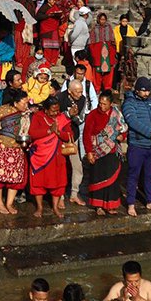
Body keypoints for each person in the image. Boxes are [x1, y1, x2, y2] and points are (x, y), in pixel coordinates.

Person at [123, 77, 151, 216]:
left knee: (150, 175)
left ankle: (150, 200)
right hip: (137, 145)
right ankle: (130, 203)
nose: (146, 93)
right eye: (143, 91)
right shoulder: (129, 103)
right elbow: (132, 121)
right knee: (133, 175)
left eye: (148, 91)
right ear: (136, 90)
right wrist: (149, 133)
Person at [0, 91, 31, 214]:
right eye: (24, 103)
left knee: (15, 178)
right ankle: (0, 203)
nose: (26, 105)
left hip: (17, 149)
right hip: (1, 147)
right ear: (16, 103)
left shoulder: (26, 114)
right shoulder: (1, 111)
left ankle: (9, 203)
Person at [27, 97, 73, 218]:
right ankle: (40, 207)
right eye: (52, 110)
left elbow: (69, 135)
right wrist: (48, 131)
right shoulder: (38, 116)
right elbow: (32, 134)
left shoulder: (62, 118)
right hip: (40, 156)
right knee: (38, 183)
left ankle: (55, 207)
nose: (55, 113)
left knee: (58, 183)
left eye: (57, 110)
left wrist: (58, 133)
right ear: (46, 110)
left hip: (57, 156)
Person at [84, 90, 126, 215]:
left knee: (112, 179)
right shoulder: (93, 115)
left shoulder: (116, 114)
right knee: (98, 178)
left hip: (112, 150)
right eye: (100, 103)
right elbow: (87, 134)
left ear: (111, 104)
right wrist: (89, 152)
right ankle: (98, 206)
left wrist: (121, 137)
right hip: (98, 150)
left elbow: (123, 129)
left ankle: (110, 205)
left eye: (104, 104)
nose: (101, 106)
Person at [59, 80, 91, 208]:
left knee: (77, 166)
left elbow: (81, 119)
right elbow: (53, 117)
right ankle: (59, 195)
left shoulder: (83, 99)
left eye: (81, 91)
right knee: (60, 167)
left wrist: (74, 116)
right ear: (69, 91)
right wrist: (67, 114)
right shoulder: (59, 98)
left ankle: (74, 193)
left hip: (73, 136)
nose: (80, 94)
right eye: (77, 92)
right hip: (59, 137)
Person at [87, 13, 117, 92]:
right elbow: (91, 41)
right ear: (98, 20)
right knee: (97, 71)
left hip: (108, 52)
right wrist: (94, 51)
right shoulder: (94, 29)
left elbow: (113, 41)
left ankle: (107, 88)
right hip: (97, 52)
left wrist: (112, 50)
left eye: (104, 19)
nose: (102, 21)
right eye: (101, 19)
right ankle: (97, 88)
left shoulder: (109, 28)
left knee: (109, 71)